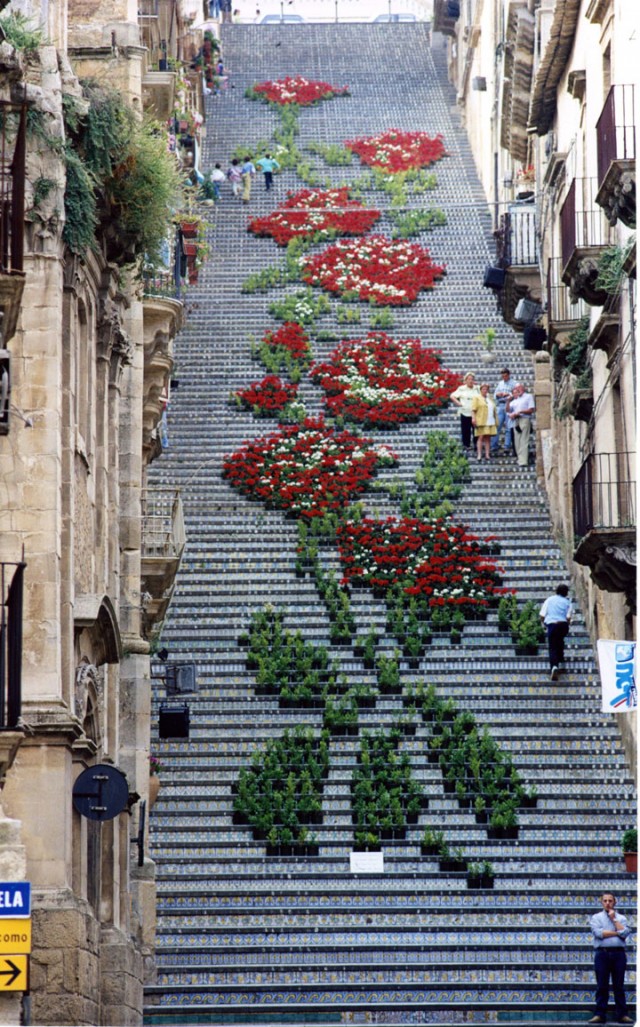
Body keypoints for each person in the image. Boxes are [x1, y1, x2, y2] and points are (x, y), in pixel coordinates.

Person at [589, 892, 633, 1023]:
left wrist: (614, 919)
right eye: (605, 901)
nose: (608, 903)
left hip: (618, 954)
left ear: (615, 902)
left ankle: (622, 1014)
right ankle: (600, 1014)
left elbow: (625, 933)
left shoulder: (621, 918)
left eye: (610, 901)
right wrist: (617, 932)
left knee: (619, 986)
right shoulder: (596, 917)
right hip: (602, 954)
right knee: (602, 985)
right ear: (601, 902)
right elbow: (598, 933)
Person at [539, 584, 572, 680]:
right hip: (563, 625)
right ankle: (561, 658)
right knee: (560, 640)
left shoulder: (549, 600)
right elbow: (568, 617)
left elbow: (542, 614)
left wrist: (544, 624)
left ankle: (554, 666)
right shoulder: (568, 602)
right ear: (566, 593)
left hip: (552, 625)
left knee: (553, 646)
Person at [506, 382, 535, 466]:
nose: (518, 390)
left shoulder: (528, 397)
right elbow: (508, 410)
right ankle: (520, 459)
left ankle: (523, 461)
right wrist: (508, 401)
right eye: (516, 389)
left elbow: (531, 410)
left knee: (523, 440)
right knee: (517, 441)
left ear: (523, 388)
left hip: (524, 419)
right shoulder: (516, 400)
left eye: (519, 388)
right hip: (516, 421)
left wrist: (520, 412)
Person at [450, 373, 479, 451]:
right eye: (468, 379)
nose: (470, 381)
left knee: (476, 430)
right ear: (465, 380)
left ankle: (476, 445)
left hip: (475, 413)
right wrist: (459, 403)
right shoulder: (461, 388)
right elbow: (452, 396)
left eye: (472, 379)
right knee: (466, 430)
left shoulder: (477, 388)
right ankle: (466, 445)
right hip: (465, 412)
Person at [491, 367, 517, 454]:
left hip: (509, 405)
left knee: (508, 427)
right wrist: (499, 394)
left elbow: (516, 394)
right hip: (501, 405)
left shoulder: (514, 383)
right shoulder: (500, 383)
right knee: (497, 426)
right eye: (503, 376)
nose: (504, 378)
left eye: (505, 376)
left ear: (508, 375)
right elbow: (495, 395)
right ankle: (494, 445)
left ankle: (507, 445)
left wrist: (508, 394)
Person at [470, 383, 497, 461]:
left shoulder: (490, 398)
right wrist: (473, 418)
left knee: (488, 438)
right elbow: (473, 409)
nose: (485, 390)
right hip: (481, 420)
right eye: (483, 389)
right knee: (481, 437)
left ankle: (487, 455)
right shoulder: (477, 398)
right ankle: (479, 455)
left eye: (486, 389)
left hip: (490, 420)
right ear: (480, 390)